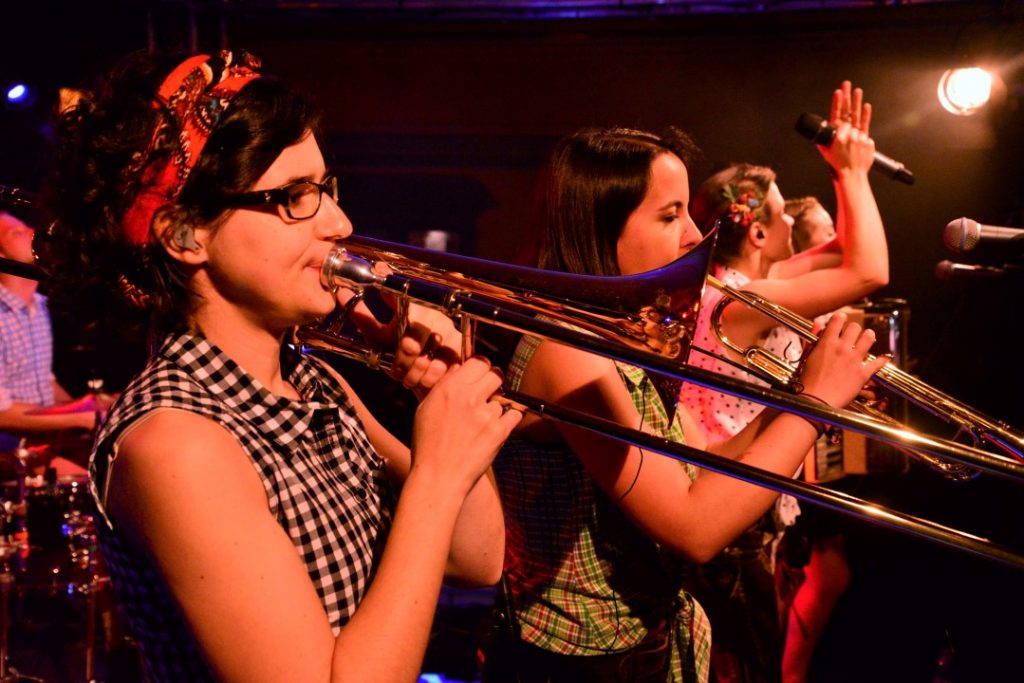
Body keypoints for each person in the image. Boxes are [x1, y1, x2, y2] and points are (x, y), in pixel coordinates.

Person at [43, 49, 522, 682]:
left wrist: (434, 393)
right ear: (185, 235)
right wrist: (435, 474)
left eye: (325, 189)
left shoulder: (310, 378)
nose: (340, 222)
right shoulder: (176, 444)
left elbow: (478, 559)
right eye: (296, 197)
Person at [488, 124, 888, 683]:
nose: (696, 235)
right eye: (670, 215)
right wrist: (814, 407)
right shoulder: (565, 352)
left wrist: (797, 395)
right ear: (603, 224)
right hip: (587, 665)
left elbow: (702, 463)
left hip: (640, 644)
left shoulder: (621, 336)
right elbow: (693, 528)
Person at [679, 82, 888, 682]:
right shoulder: (736, 300)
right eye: (782, 211)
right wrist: (854, 172)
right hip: (733, 515)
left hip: (750, 509)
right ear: (758, 234)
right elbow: (869, 270)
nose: (794, 217)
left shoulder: (743, 287)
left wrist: (846, 166)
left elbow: (850, 250)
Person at [0, 210, 97, 477]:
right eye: (16, 232)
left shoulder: (39, 304)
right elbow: (1, 412)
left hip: (41, 440)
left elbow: (44, 382)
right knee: (92, 485)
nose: (31, 231)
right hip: (10, 450)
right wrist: (83, 417)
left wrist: (91, 406)